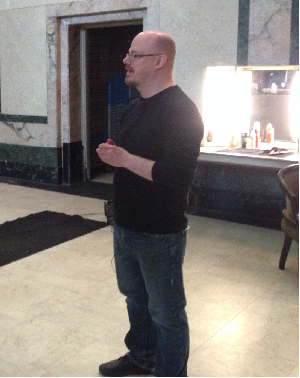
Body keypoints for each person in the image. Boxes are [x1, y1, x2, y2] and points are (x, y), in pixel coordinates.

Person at [96, 31, 204, 377]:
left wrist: (124, 158)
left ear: (159, 61)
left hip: (159, 232)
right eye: (128, 54)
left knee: (167, 312)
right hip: (125, 223)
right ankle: (142, 355)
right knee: (135, 298)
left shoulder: (182, 111)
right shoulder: (134, 108)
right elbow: (133, 159)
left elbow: (178, 175)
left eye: (134, 55)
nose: (125, 61)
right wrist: (117, 155)